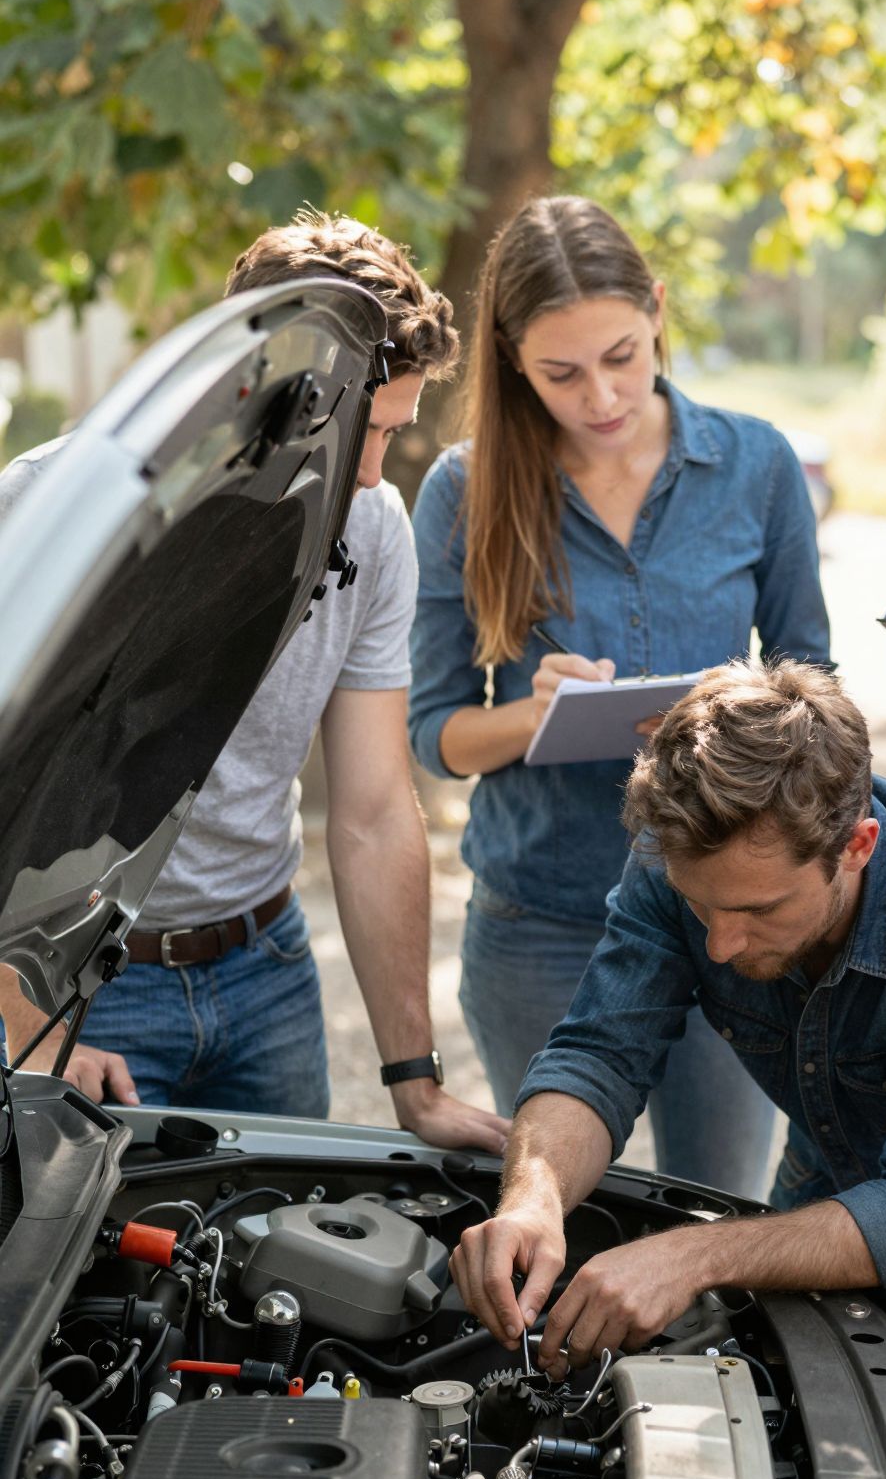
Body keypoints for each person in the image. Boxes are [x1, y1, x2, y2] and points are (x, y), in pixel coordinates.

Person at [446, 660, 886, 1405]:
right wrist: (534, 1197)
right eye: (705, 908)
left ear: (856, 846)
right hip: (828, 1169)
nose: (722, 946)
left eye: (760, 912)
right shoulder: (682, 859)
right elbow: (599, 1053)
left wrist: (692, 1257)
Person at [0, 213, 506, 1155]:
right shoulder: (50, 506)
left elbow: (372, 809)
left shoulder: (376, 524)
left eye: (392, 436)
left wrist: (415, 1079)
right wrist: (23, 1021)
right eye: (361, 431)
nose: (369, 474)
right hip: (79, 989)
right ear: (270, 391)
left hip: (267, 970)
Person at [409, 197, 830, 1202]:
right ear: (511, 357)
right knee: (566, 1214)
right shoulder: (464, 491)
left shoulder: (756, 464)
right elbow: (435, 736)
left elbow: (816, 675)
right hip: (541, 924)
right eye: (561, 372)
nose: (601, 395)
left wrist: (745, 714)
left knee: (718, 1212)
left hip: (727, 915)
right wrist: (535, 714)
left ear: (658, 311)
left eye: (624, 356)